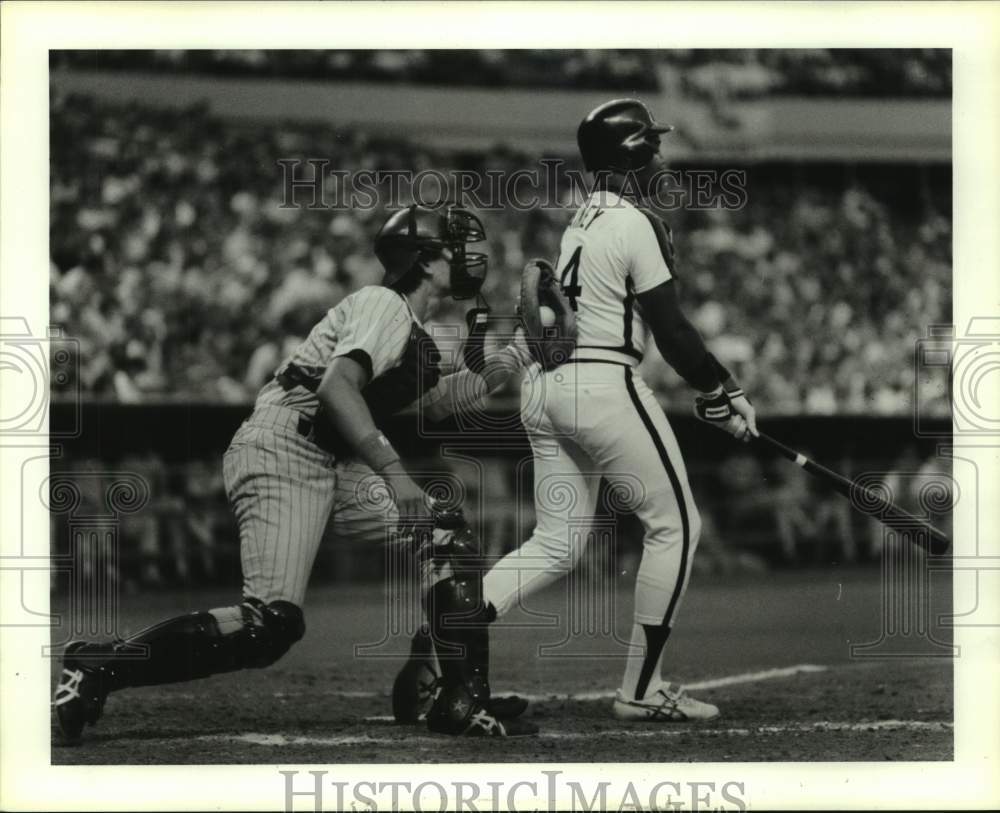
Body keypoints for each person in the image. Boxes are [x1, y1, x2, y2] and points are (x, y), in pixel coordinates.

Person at [53, 204, 536, 744]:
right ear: (423, 260)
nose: (467, 255)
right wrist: (396, 473)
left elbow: (445, 402)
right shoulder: (385, 305)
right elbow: (336, 388)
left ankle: (458, 696)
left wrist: (520, 352)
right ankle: (100, 663)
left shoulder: (410, 327)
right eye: (453, 245)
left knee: (444, 531)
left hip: (329, 457)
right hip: (288, 446)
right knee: (269, 627)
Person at [394, 99, 758, 724]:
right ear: (633, 154)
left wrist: (713, 391)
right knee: (677, 527)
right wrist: (721, 387)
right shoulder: (636, 222)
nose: (661, 159)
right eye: (652, 148)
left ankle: (451, 630)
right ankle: (642, 691)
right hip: (599, 383)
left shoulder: (580, 220)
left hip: (544, 386)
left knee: (560, 541)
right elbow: (669, 329)